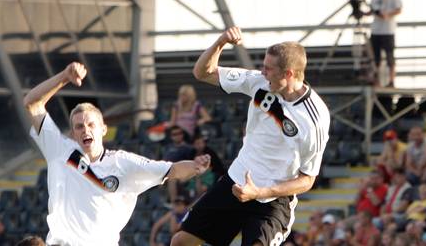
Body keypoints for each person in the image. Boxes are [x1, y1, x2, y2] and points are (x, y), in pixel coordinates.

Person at [170, 27, 330, 246]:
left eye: (268, 68)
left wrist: (261, 192)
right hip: (236, 181)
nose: (262, 72)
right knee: (181, 241)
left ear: (289, 74)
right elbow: (202, 73)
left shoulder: (314, 118)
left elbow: (307, 179)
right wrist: (222, 41)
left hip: (272, 200)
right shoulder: (259, 83)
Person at [23, 62, 211, 246]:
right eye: (79, 126)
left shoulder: (123, 162)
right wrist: (64, 77)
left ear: (103, 129)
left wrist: (196, 166)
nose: (85, 130)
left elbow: (172, 169)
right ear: (73, 134)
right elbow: (32, 102)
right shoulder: (59, 150)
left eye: (91, 124)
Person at [367, 0, 402, 87]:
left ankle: (391, 81)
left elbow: (399, 9)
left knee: (389, 56)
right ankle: (376, 80)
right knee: (375, 56)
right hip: (376, 30)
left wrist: (387, 15)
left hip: (388, 30)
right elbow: (373, 9)